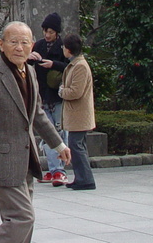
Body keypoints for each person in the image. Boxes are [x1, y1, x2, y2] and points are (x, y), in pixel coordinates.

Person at [0, 21, 71, 243]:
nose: (19, 47)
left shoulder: (30, 73)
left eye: (24, 42)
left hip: (26, 160)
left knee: (18, 222)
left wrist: (58, 144)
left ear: (32, 45)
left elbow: (37, 114)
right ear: (1, 44)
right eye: (13, 42)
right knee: (23, 218)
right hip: (0, 161)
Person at [28, 12, 68, 186]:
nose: (47, 35)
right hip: (42, 95)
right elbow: (26, 66)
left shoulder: (62, 47)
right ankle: (54, 170)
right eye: (45, 31)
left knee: (59, 132)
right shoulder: (39, 45)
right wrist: (30, 59)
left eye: (51, 31)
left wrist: (54, 64)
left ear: (57, 32)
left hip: (57, 96)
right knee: (48, 132)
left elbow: (70, 67)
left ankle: (60, 169)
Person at [59, 33, 96, 191]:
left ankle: (85, 179)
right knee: (77, 146)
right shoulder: (75, 64)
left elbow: (76, 92)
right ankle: (81, 177)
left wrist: (62, 91)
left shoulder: (80, 66)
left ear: (68, 49)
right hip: (76, 114)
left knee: (76, 146)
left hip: (79, 115)